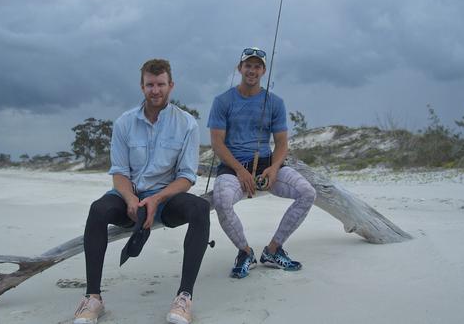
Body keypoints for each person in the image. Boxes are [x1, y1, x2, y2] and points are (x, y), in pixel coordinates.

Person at [73, 59, 210, 324]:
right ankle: (93, 298)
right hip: (130, 195)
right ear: (142, 86)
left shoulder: (187, 124)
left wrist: (157, 199)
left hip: (167, 197)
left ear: (171, 85)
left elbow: (186, 177)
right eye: (150, 84)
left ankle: (184, 297)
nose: (155, 90)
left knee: (200, 208)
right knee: (98, 210)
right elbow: (120, 172)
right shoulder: (124, 123)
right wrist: (131, 199)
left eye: (161, 84)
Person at [207, 47, 316, 279]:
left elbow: (282, 144)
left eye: (257, 66)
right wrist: (239, 170)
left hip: (266, 165)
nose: (252, 70)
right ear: (240, 68)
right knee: (222, 200)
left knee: (307, 192)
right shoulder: (222, 101)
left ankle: (273, 250)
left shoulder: (275, 103)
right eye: (248, 65)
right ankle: (245, 252)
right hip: (233, 167)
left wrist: (274, 168)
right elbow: (217, 143)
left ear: (264, 71)